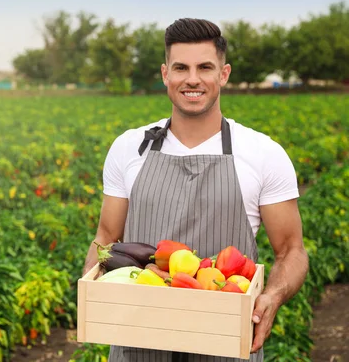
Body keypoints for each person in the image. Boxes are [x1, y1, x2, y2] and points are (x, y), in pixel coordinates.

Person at [82, 18, 309, 362]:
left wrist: (272, 297)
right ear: (165, 74)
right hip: (138, 344)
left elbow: (292, 250)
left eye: (205, 67)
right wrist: (95, 295)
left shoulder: (263, 154)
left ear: (224, 74)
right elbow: (105, 238)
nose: (192, 79)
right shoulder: (130, 148)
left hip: (227, 345)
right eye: (180, 67)